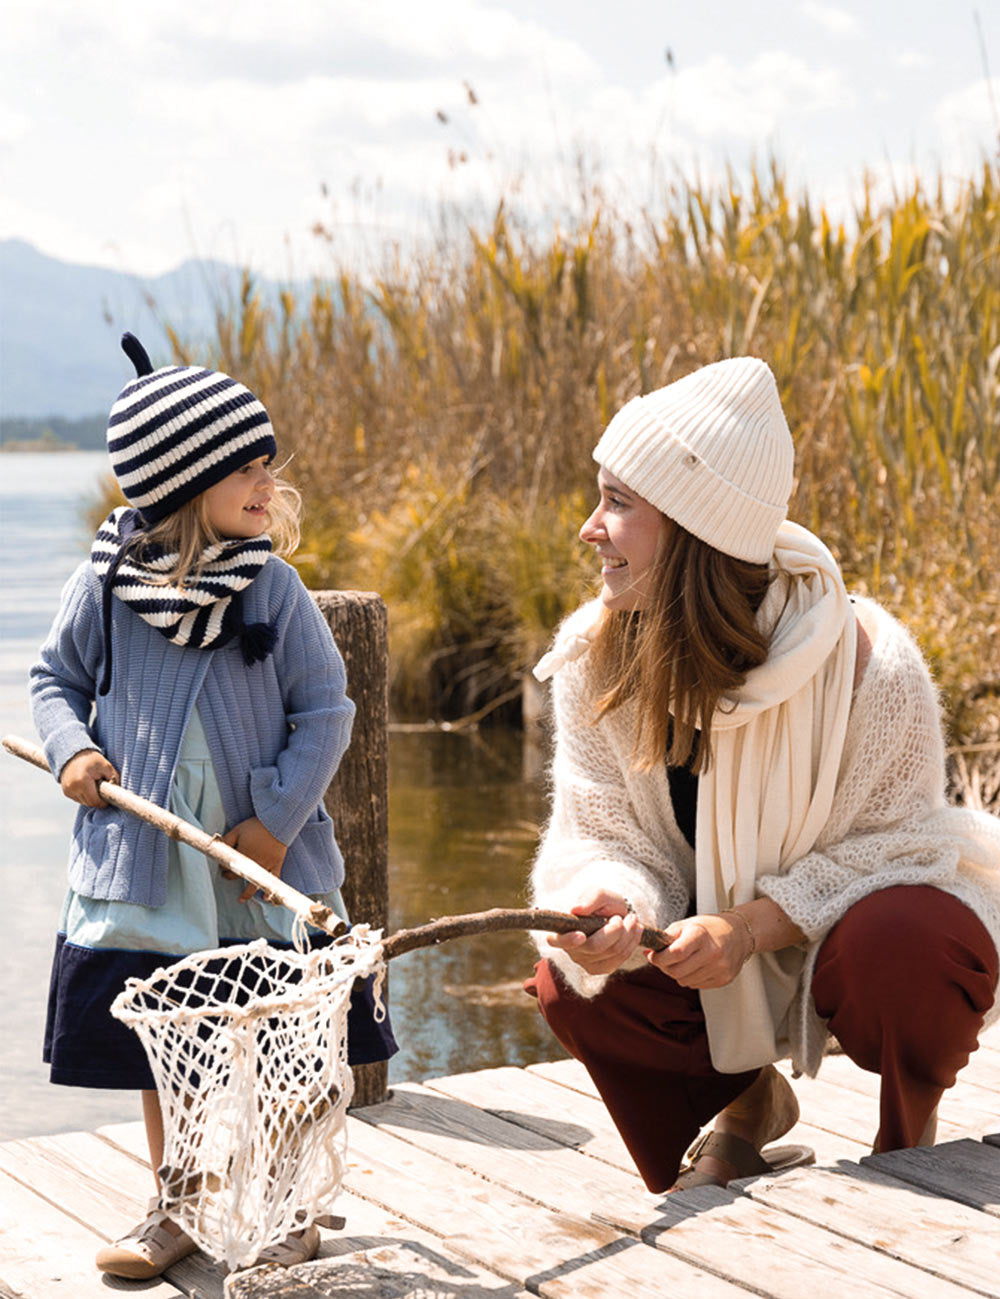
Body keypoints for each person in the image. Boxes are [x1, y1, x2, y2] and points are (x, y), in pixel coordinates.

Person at [525, 356, 1000, 1195]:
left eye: (618, 502)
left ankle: (908, 1133)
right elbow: (601, 833)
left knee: (911, 941)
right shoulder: (593, 660)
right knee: (574, 982)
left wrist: (747, 926)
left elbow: (905, 852)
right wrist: (612, 901)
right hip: (697, 946)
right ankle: (746, 1102)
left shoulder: (867, 663)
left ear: (694, 530)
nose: (589, 527)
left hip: (840, 934)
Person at [30, 333, 397, 1277]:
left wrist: (275, 822)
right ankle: (182, 1199)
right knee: (171, 1044)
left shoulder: (271, 588)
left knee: (284, 1044)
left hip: (255, 867)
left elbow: (328, 707)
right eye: (244, 465)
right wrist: (73, 749)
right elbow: (54, 682)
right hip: (151, 867)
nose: (266, 481)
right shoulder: (105, 588)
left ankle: (286, 1205)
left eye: (268, 463)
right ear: (180, 478)